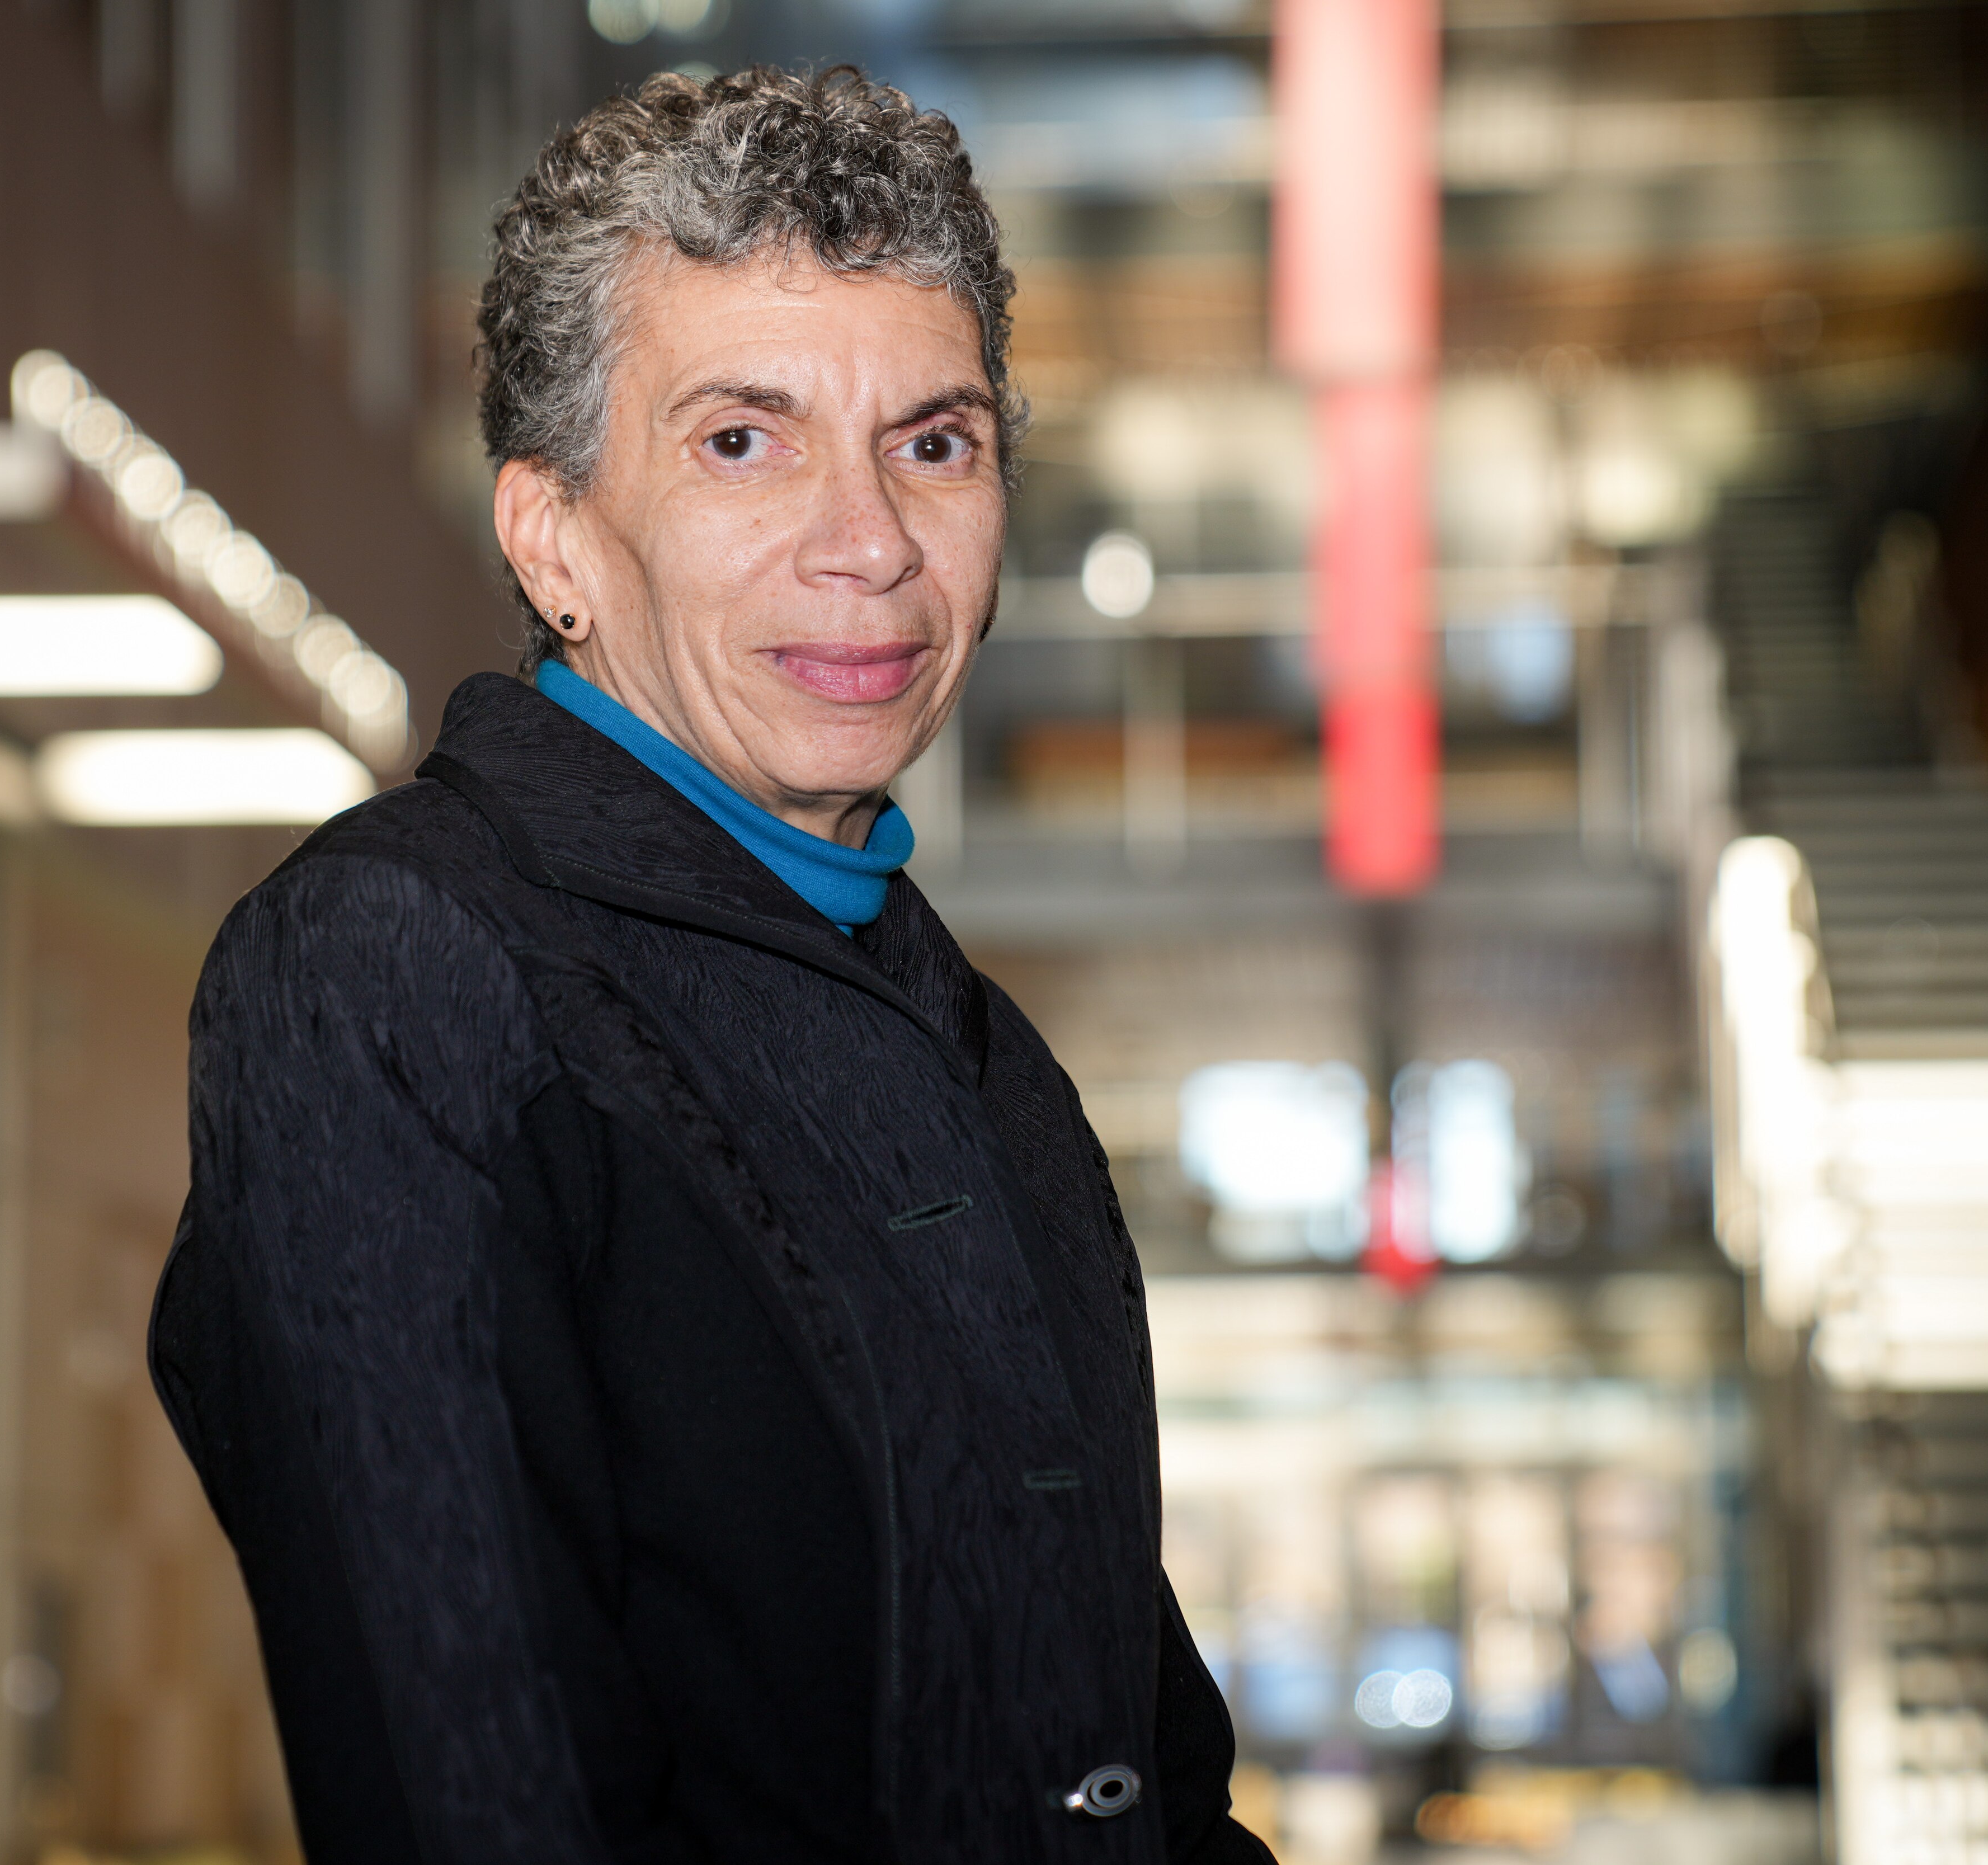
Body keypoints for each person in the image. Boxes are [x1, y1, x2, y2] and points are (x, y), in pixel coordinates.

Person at [150, 65, 1276, 1865]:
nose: (873, 546)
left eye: (935, 441)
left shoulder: (985, 1059)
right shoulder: (393, 969)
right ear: (553, 540)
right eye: (743, 440)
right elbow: (471, 1795)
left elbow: (1127, 1751)